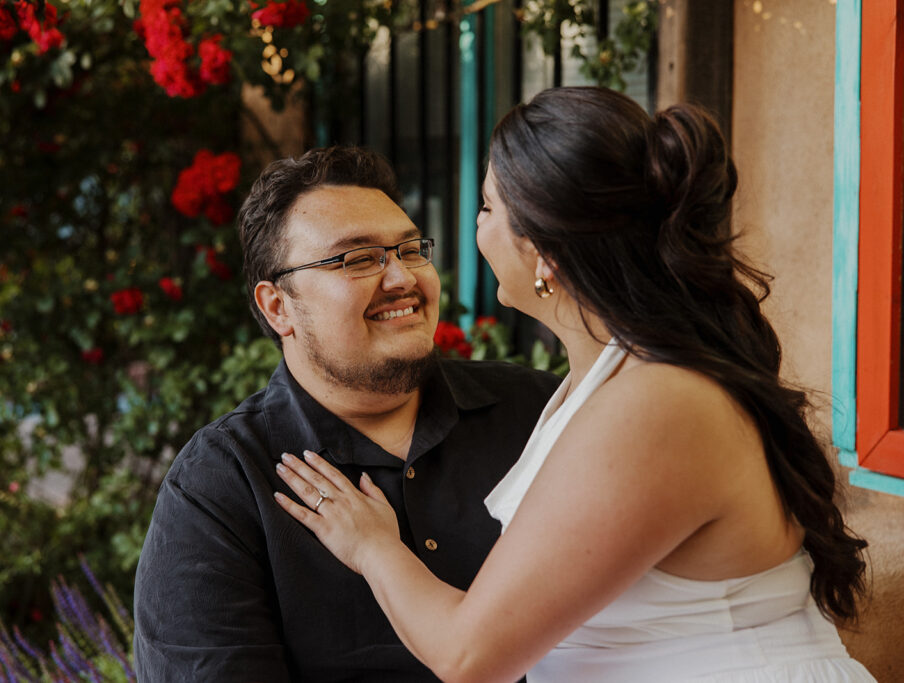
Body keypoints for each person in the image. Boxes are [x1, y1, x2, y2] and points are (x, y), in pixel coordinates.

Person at [274, 87, 875, 682]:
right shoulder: (605, 383)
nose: (474, 230)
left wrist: (371, 546)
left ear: (541, 252)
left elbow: (467, 656)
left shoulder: (655, 401)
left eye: (486, 208)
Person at [132, 146, 561, 681]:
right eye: (357, 259)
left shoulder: (541, 414)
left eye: (409, 249)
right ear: (278, 306)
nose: (402, 277)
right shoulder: (222, 486)